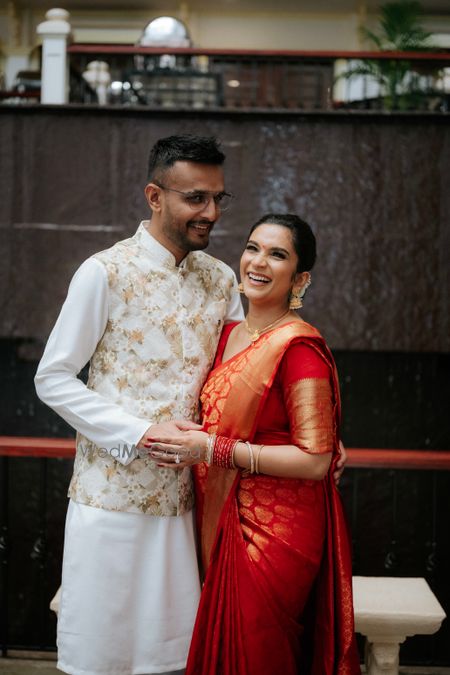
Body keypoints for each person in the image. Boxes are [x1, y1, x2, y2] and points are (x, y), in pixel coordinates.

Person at [34, 135, 245, 675]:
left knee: (174, 659)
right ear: (155, 196)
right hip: (109, 499)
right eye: (195, 198)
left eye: (218, 199)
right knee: (100, 660)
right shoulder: (104, 271)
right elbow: (52, 378)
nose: (211, 212)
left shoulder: (221, 280)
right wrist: (139, 433)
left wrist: (311, 432)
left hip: (187, 506)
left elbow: (246, 378)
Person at [148, 213, 361, 674]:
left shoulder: (299, 349)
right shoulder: (229, 334)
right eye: (253, 248)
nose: (259, 262)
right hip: (221, 514)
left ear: (299, 279)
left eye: (277, 254)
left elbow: (316, 460)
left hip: (275, 533)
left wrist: (213, 450)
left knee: (257, 652)